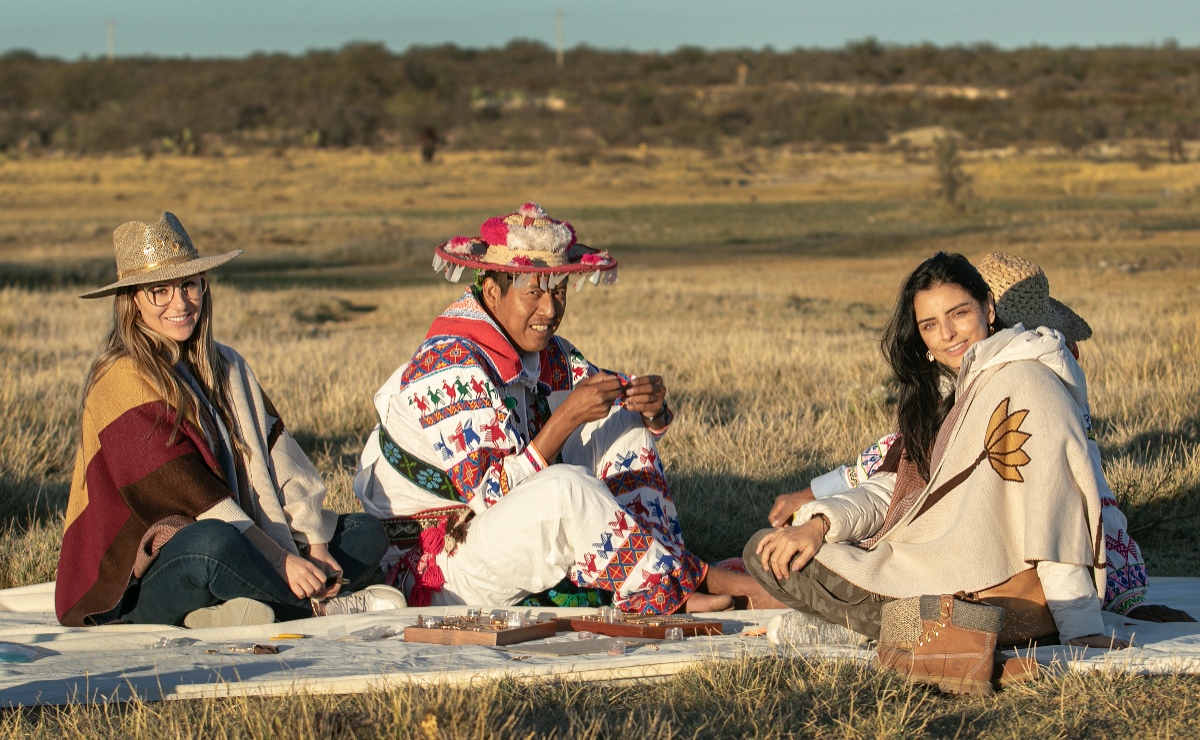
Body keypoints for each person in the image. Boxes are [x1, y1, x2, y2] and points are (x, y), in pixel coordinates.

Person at [354, 203, 777, 613]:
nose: (550, 309)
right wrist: (568, 416)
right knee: (564, 490)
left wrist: (651, 410)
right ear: (491, 291)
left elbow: (602, 394)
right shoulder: (447, 366)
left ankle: (668, 562)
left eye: (558, 292)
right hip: (436, 567)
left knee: (619, 416)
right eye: (533, 293)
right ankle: (665, 590)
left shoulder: (546, 352)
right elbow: (491, 497)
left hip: (480, 542)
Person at [767, 252, 1192, 624]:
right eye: (931, 324)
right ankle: (917, 612)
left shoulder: (1028, 379)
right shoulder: (953, 385)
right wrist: (821, 517)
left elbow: (1052, 501)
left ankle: (929, 614)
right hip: (1003, 550)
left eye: (958, 314)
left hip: (1049, 564)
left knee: (823, 561)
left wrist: (1079, 622)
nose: (948, 333)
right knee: (774, 552)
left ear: (989, 310)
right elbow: (903, 468)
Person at [56, 212, 405, 629]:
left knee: (365, 534)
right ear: (132, 301)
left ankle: (225, 612)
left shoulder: (227, 365)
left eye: (189, 284)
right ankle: (317, 610)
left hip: (248, 539)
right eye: (159, 291)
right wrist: (279, 560)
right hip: (144, 576)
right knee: (212, 546)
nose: (180, 303)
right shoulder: (120, 378)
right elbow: (191, 497)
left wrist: (313, 543)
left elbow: (281, 455)